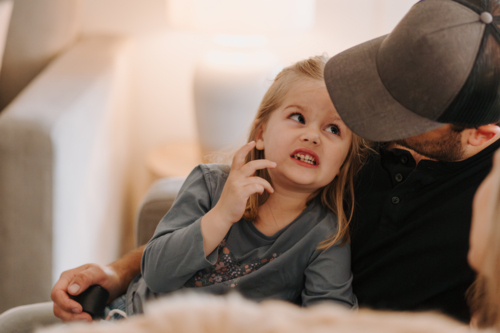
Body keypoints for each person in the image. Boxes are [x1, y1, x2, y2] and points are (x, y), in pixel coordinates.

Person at [51, 0, 500, 324]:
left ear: (482, 133)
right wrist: (116, 271)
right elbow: (175, 248)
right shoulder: (344, 130)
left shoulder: (489, 206)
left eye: (397, 110)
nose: (367, 116)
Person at [52, 55, 372, 320]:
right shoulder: (210, 183)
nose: (313, 135)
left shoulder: (326, 235)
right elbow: (157, 273)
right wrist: (221, 216)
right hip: (140, 320)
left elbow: (331, 320)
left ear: (343, 163)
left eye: (333, 129)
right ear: (260, 133)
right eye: (298, 117)